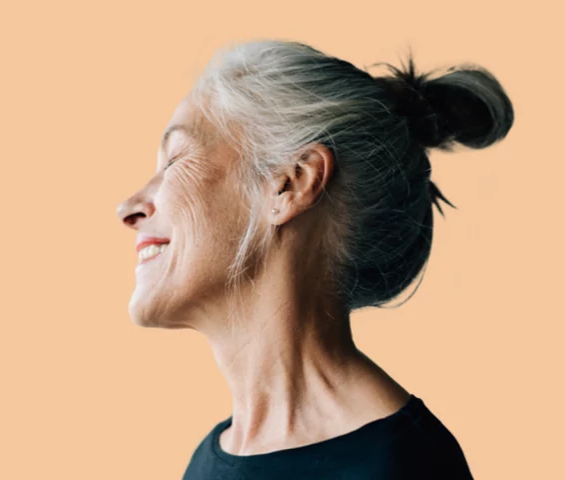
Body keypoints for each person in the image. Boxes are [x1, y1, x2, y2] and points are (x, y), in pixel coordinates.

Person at [116, 39, 514, 479]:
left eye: (174, 161)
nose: (129, 208)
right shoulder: (208, 462)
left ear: (291, 184)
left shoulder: (405, 466)